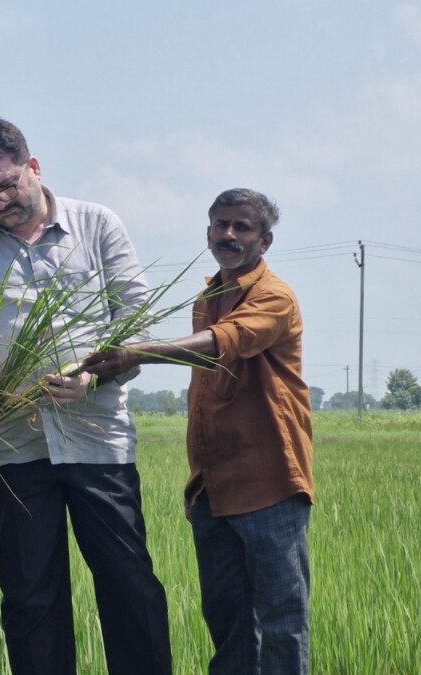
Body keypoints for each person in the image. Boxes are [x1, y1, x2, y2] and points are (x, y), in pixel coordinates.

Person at [0, 118, 172, 675]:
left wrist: (93, 377)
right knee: (30, 598)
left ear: (33, 168)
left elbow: (135, 316)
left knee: (129, 584)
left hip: (97, 439)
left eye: (6, 187)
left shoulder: (97, 225)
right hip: (13, 448)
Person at [82, 188, 314, 673]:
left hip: (268, 482)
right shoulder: (208, 295)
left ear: (264, 241)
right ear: (208, 231)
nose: (228, 234)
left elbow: (221, 344)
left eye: (242, 227)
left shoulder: (273, 296)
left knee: (281, 618)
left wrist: (137, 353)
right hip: (212, 486)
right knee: (227, 619)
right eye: (220, 224)